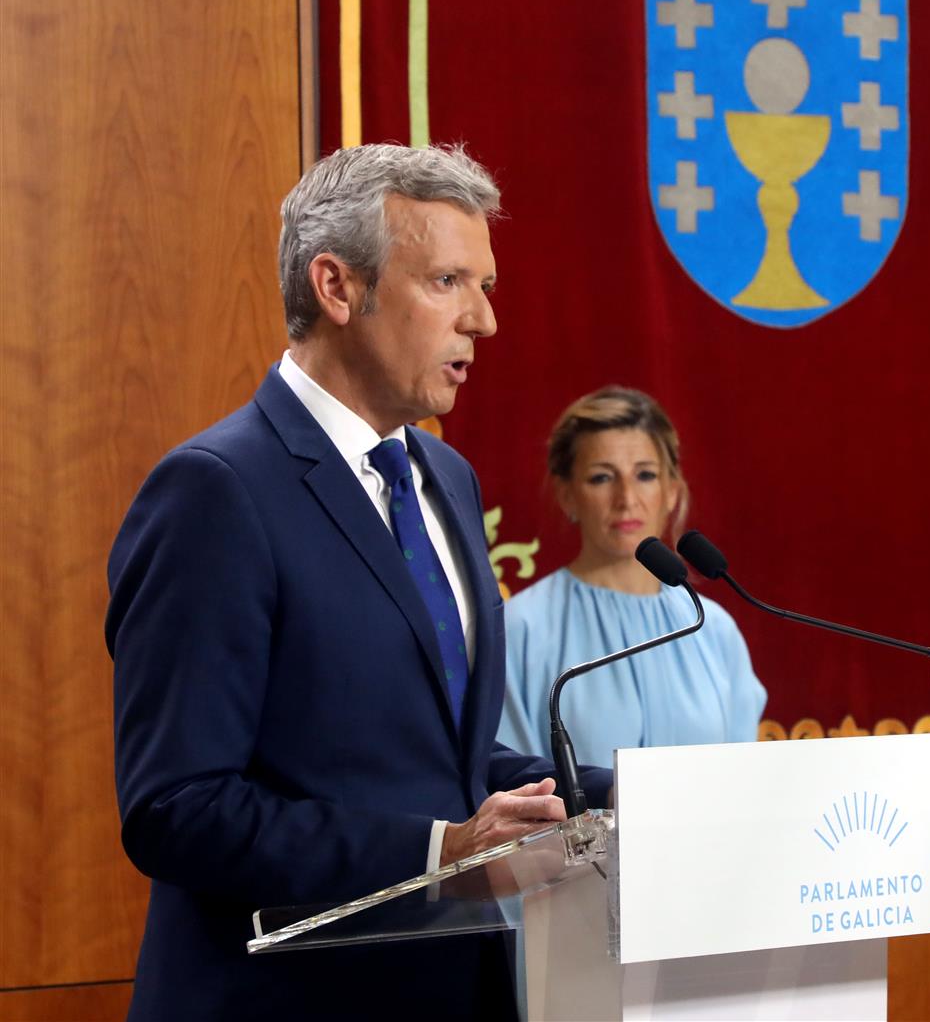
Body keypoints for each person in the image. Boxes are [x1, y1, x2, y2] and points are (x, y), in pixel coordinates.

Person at [107, 143, 612, 1022]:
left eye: (485, 286)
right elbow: (176, 807)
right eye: (450, 282)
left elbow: (426, 755)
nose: (484, 321)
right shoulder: (216, 492)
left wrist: (611, 793)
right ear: (337, 288)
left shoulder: (444, 479)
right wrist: (438, 852)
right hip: (280, 1000)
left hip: (454, 990)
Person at [499, 386, 765, 768]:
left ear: (672, 490)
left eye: (644, 475)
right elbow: (513, 784)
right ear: (567, 495)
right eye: (601, 478)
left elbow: (745, 778)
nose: (626, 498)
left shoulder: (715, 630)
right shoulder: (522, 627)